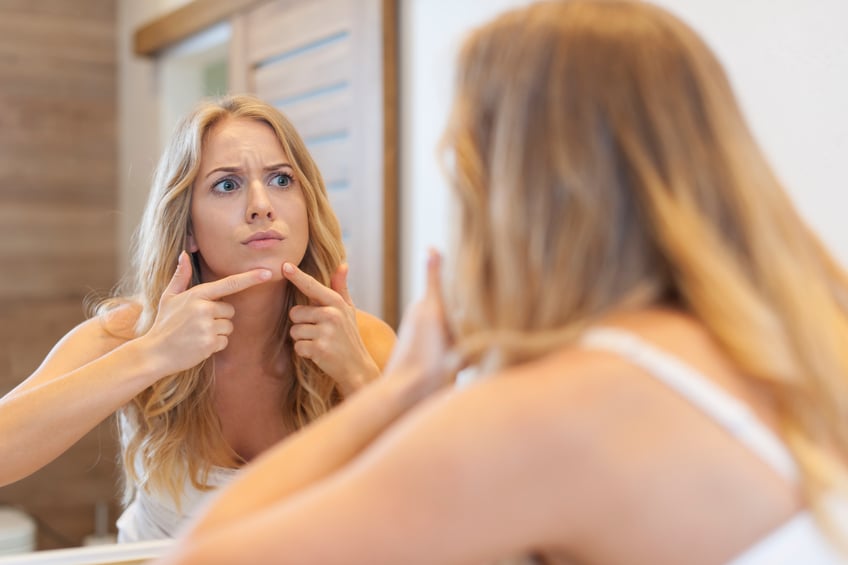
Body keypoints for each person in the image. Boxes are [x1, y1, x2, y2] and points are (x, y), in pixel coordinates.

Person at [154, 1, 848, 563]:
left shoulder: (553, 411)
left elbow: (205, 554)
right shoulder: (809, 336)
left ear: (517, 188)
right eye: (227, 185)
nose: (260, 204)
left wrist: (395, 385)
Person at [0, 94, 396, 541]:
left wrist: (361, 380)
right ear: (187, 228)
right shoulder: (129, 333)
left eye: (282, 179)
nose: (261, 205)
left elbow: (437, 512)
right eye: (227, 185)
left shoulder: (362, 342)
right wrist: (152, 354)